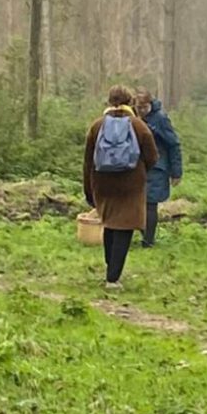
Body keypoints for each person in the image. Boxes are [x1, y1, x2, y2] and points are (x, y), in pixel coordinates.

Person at [83, 85, 159, 289]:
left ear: (109, 101)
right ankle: (113, 278)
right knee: (124, 226)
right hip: (130, 185)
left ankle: (110, 269)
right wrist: (139, 171)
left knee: (109, 223)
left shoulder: (96, 126)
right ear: (130, 102)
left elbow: (88, 161)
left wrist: (89, 190)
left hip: (103, 183)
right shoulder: (139, 126)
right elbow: (152, 157)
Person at [133, 88, 183, 248]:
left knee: (150, 203)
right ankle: (144, 234)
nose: (141, 111)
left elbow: (173, 144)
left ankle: (148, 240)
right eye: (138, 108)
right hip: (137, 166)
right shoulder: (132, 117)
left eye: (143, 108)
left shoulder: (160, 119)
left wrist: (176, 172)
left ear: (150, 104)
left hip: (157, 167)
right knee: (137, 202)